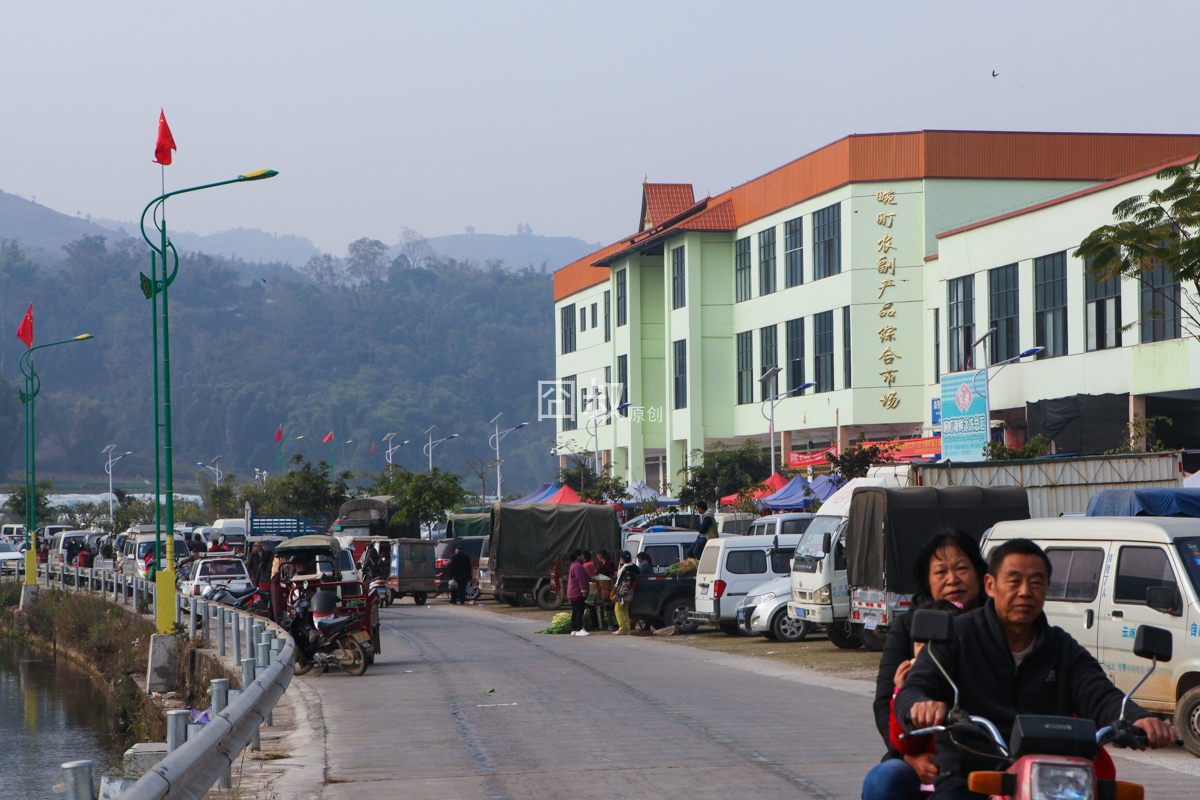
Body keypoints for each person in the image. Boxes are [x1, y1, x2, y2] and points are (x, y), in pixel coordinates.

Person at [895, 538, 1176, 800]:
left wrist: (1139, 718)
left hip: (1051, 777)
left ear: (1048, 586)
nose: (1025, 592)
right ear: (990, 585)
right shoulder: (957, 636)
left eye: (1036, 582)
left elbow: (1099, 693)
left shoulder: (1062, 648)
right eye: (1014, 581)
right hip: (970, 774)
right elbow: (916, 687)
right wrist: (919, 705)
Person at [863, 530, 988, 800]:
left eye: (962, 568)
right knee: (884, 781)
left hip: (985, 756)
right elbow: (886, 701)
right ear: (927, 582)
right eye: (940, 572)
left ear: (980, 574)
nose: (952, 579)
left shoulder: (996, 626)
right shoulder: (909, 626)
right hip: (915, 752)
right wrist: (909, 755)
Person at [611, 551, 640, 635]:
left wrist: (620, 593)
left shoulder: (625, 569)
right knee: (625, 610)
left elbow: (624, 582)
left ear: (622, 559)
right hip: (630, 591)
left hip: (623, 592)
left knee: (618, 609)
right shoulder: (633, 568)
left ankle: (622, 628)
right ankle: (627, 629)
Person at [567, 549, 591, 636]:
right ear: (578, 556)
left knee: (575, 610)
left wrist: (592, 578)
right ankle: (579, 628)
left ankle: (574, 628)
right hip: (577, 592)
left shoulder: (576, 565)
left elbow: (586, 577)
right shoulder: (578, 566)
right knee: (579, 611)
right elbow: (581, 579)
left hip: (573, 592)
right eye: (582, 554)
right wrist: (584, 590)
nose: (583, 556)